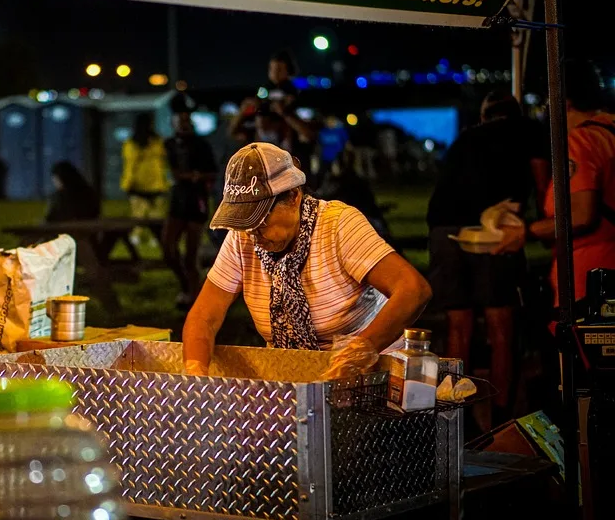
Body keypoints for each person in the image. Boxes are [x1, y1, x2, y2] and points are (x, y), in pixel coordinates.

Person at [183, 143, 432, 379]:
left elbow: (413, 290)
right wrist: (195, 371)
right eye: (245, 222)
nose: (253, 234)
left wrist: (362, 349)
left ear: (293, 196)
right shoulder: (243, 237)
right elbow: (204, 317)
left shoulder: (338, 225)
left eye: (260, 221)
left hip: (370, 375)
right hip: (292, 373)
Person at [427, 90, 549, 429]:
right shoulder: (529, 131)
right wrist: (541, 225)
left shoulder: (468, 137)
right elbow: (542, 187)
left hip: (444, 227)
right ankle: (501, 419)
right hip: (489, 230)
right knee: (501, 327)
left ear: (484, 116)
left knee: (458, 324)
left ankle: (459, 420)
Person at [495, 59, 615, 307]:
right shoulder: (609, 131)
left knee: (584, 344)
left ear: (563, 102)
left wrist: (526, 232)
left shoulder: (581, 141)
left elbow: (581, 215)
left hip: (592, 277)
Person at [163, 95, 218, 309]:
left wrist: (196, 176)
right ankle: (187, 286)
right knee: (168, 247)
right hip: (177, 199)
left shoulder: (201, 144)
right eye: (179, 120)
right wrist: (185, 176)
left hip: (196, 200)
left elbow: (211, 171)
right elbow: (172, 171)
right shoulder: (169, 144)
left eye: (186, 120)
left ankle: (194, 295)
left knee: (191, 253)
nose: (183, 124)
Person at [120, 112, 169, 246]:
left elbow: (129, 165)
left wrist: (126, 184)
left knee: (138, 213)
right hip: (157, 183)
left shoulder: (131, 143)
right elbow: (163, 161)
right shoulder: (158, 142)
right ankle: (155, 237)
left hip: (137, 184)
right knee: (157, 214)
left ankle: (136, 236)